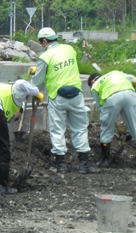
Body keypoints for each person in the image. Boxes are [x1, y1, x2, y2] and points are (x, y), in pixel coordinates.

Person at [30, 27, 95, 174]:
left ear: (45, 41)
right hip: (76, 95)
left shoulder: (45, 57)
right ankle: (84, 164)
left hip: (57, 97)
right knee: (80, 128)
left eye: (42, 43)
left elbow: (37, 82)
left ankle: (61, 164)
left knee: (58, 129)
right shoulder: (69, 49)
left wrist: (37, 72)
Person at [87, 70, 136, 170]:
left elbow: (101, 108)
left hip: (112, 99)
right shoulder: (117, 73)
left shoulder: (95, 86)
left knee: (106, 129)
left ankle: (105, 160)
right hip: (130, 94)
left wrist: (110, 121)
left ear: (92, 81)